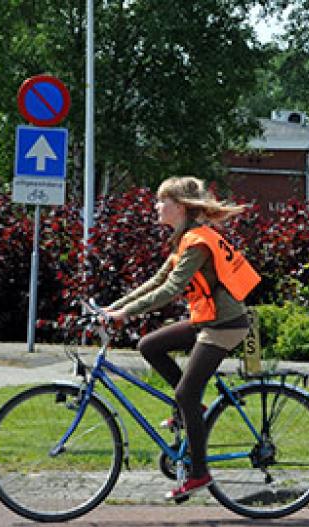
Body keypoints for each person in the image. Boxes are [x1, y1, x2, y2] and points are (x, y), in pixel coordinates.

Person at [103, 176, 261, 499]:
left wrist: (126, 314)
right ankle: (191, 410)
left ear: (181, 207)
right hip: (207, 320)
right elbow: (156, 280)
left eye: (163, 201)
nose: (157, 207)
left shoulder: (198, 243)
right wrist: (113, 308)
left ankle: (199, 473)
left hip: (225, 325)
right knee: (149, 345)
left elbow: (171, 289)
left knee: (186, 392)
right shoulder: (184, 239)